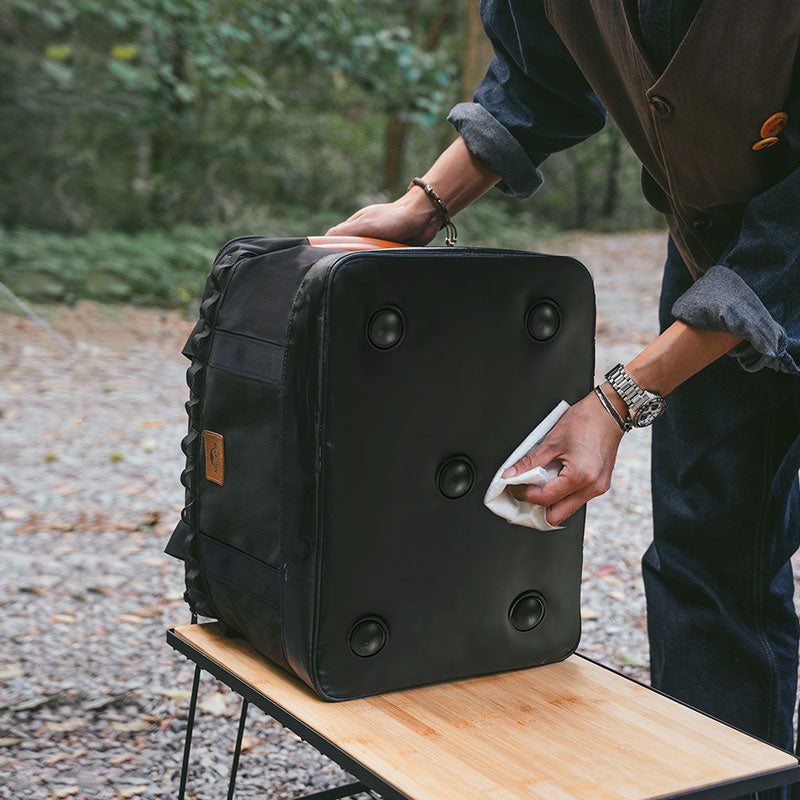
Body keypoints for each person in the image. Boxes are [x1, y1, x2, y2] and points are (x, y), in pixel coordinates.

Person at [327, 0, 800, 793]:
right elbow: (538, 75)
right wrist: (423, 206)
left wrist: (616, 402)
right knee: (710, 567)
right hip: (716, 255)